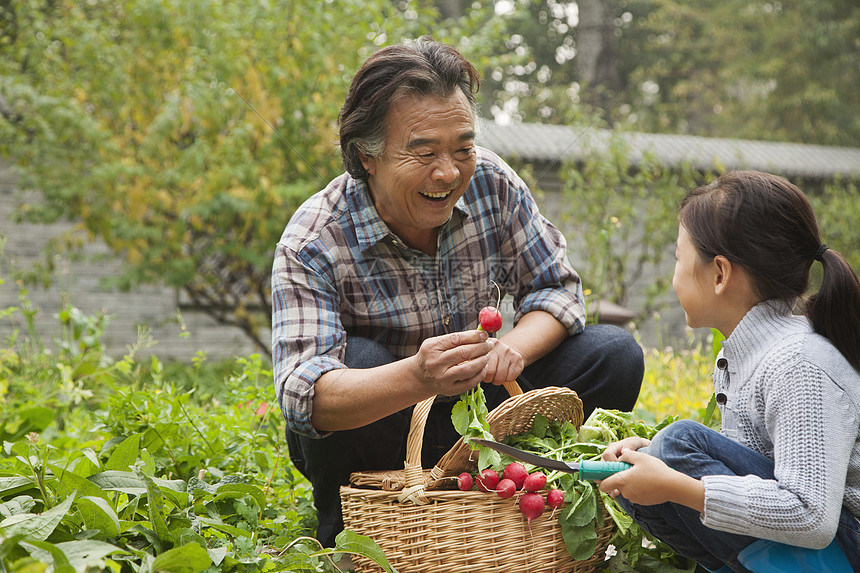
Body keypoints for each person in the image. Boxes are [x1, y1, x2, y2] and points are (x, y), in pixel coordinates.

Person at [272, 38, 644, 547]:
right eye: (423, 152)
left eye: (462, 148)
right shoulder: (314, 241)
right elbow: (302, 395)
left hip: (486, 413)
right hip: (384, 426)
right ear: (367, 156)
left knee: (613, 354)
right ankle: (350, 534)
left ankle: (530, 513)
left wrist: (511, 350)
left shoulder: (491, 183)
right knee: (355, 358)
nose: (448, 173)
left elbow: (556, 289)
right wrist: (418, 376)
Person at [599, 171, 860, 572]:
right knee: (650, 466)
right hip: (827, 547)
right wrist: (655, 458)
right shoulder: (749, 354)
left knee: (677, 446)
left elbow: (812, 516)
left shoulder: (800, 363)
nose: (674, 277)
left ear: (720, 274)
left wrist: (677, 483)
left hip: (845, 544)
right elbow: (751, 465)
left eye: (678, 260)